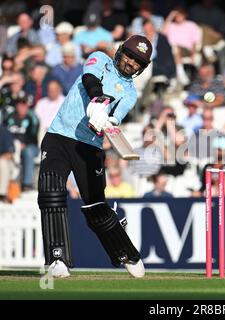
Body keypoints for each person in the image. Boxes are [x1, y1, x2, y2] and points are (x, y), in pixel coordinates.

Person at [37, 35, 152, 279]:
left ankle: (127, 253)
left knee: (96, 207)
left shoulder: (130, 94)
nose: (131, 63)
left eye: (137, 62)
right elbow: (90, 79)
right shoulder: (99, 59)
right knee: (50, 192)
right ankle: (57, 258)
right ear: (121, 51)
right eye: (130, 55)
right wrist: (98, 99)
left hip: (89, 146)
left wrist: (106, 121)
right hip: (59, 135)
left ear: (141, 69)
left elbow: (115, 118)